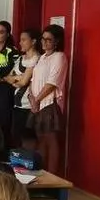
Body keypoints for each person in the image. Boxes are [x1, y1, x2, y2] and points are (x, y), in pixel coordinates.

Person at [28, 24, 68, 174]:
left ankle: (52, 176)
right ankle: (41, 174)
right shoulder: (42, 57)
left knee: (51, 141)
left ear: (56, 41)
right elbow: (33, 80)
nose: (44, 42)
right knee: (40, 142)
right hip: (36, 104)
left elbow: (52, 83)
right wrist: (32, 99)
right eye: (43, 39)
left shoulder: (59, 57)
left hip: (49, 104)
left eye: (48, 40)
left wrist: (37, 99)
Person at [4, 28, 41, 148]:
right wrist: (20, 78)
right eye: (20, 40)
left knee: (27, 140)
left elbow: (23, 82)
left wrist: (19, 79)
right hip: (17, 104)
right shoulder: (21, 58)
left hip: (28, 105)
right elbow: (8, 77)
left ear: (33, 41)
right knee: (15, 137)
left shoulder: (37, 58)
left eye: (24, 40)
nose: (20, 43)